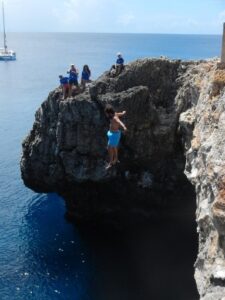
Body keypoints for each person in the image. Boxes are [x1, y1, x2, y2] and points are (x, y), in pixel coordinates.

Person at [104, 104, 127, 170]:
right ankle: (116, 159)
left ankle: (111, 162)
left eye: (107, 113)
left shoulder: (115, 117)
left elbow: (120, 122)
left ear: (109, 113)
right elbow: (121, 114)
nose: (106, 115)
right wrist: (124, 112)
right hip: (113, 134)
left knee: (109, 147)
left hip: (114, 135)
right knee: (114, 146)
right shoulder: (115, 114)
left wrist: (124, 127)